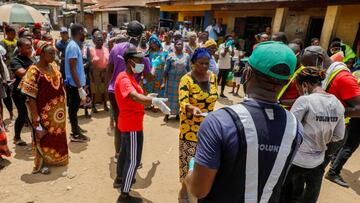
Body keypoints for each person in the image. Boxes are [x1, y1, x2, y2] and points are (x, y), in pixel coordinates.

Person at [184, 41, 302, 202]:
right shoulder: (295, 127)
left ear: (247, 73)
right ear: (288, 81)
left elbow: (199, 190)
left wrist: (192, 169)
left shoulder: (219, 122)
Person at [281, 67, 345, 203]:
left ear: (304, 85)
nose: (298, 92)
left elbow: (290, 130)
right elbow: (339, 136)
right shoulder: (337, 103)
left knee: (284, 194)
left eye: (298, 88)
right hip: (318, 159)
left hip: (296, 159)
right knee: (310, 194)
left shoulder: (305, 101)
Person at [301, 45, 360, 188]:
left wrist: (328, 113)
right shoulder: (326, 73)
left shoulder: (343, 78)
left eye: (310, 65)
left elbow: (359, 109)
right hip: (320, 129)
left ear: (320, 59)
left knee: (313, 174)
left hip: (332, 133)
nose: (310, 70)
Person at [114, 47, 167, 203]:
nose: (143, 64)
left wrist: (149, 97)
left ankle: (120, 178)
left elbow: (136, 97)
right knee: (134, 160)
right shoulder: (124, 79)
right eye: (140, 61)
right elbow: (134, 97)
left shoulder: (129, 78)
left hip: (129, 123)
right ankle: (124, 195)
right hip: (132, 125)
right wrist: (152, 101)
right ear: (130, 62)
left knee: (124, 154)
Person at [19, 41, 69, 174]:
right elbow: (30, 96)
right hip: (44, 111)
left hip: (58, 112)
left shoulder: (53, 66)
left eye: (55, 53)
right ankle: (44, 161)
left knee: (58, 133)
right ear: (41, 54)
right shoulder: (34, 70)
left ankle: (58, 158)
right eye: (50, 53)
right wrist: (35, 115)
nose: (54, 56)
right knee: (44, 135)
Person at [107, 20, 153, 164]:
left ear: (126, 34)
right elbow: (149, 77)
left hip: (114, 91)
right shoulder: (140, 55)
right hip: (130, 93)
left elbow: (109, 71)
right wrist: (153, 69)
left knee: (119, 123)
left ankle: (117, 154)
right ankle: (130, 157)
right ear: (140, 36)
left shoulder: (115, 49)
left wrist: (109, 89)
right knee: (131, 124)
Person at [178, 48, 218, 202]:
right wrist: (191, 108)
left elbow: (214, 98)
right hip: (190, 128)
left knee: (204, 162)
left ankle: (200, 190)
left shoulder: (212, 77)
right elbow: (183, 101)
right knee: (188, 161)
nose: (204, 66)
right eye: (200, 63)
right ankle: (184, 190)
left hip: (208, 127)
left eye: (207, 63)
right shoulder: (186, 79)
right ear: (193, 63)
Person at [64, 24, 89, 142]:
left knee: (74, 108)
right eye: (83, 32)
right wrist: (79, 87)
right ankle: (75, 134)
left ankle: (76, 128)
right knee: (73, 109)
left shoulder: (73, 45)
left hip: (75, 83)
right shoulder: (73, 46)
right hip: (74, 85)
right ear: (79, 32)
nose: (85, 35)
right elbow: (72, 67)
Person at [10, 38, 34, 146]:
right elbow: (21, 73)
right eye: (27, 47)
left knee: (33, 115)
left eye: (31, 47)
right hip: (19, 93)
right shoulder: (15, 60)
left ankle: (35, 138)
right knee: (23, 115)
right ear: (20, 48)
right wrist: (35, 67)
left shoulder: (29, 59)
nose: (30, 49)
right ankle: (17, 137)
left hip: (30, 92)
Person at [162, 39, 190, 122]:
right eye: (178, 44)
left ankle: (178, 114)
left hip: (182, 81)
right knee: (168, 98)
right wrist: (163, 82)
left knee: (180, 98)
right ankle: (167, 114)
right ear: (174, 46)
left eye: (181, 44)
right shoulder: (170, 56)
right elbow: (165, 70)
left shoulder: (187, 56)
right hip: (171, 82)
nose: (179, 46)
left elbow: (188, 69)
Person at [278, 43, 305, 110]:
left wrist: (280, 102)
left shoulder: (304, 73)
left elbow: (305, 99)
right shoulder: (284, 69)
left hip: (293, 112)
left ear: (298, 55)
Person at [89, 30, 110, 113]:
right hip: (95, 72)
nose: (100, 41)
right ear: (94, 41)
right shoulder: (92, 50)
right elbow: (90, 62)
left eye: (101, 40)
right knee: (95, 90)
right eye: (98, 40)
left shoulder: (106, 49)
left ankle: (105, 105)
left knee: (104, 90)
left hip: (105, 72)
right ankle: (93, 106)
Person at [0, 25, 16, 121]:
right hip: (7, 70)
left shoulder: (16, 42)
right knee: (7, 92)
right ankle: (11, 112)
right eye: (12, 34)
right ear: (7, 33)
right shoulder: (2, 43)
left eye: (15, 34)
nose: (14, 35)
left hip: (16, 68)